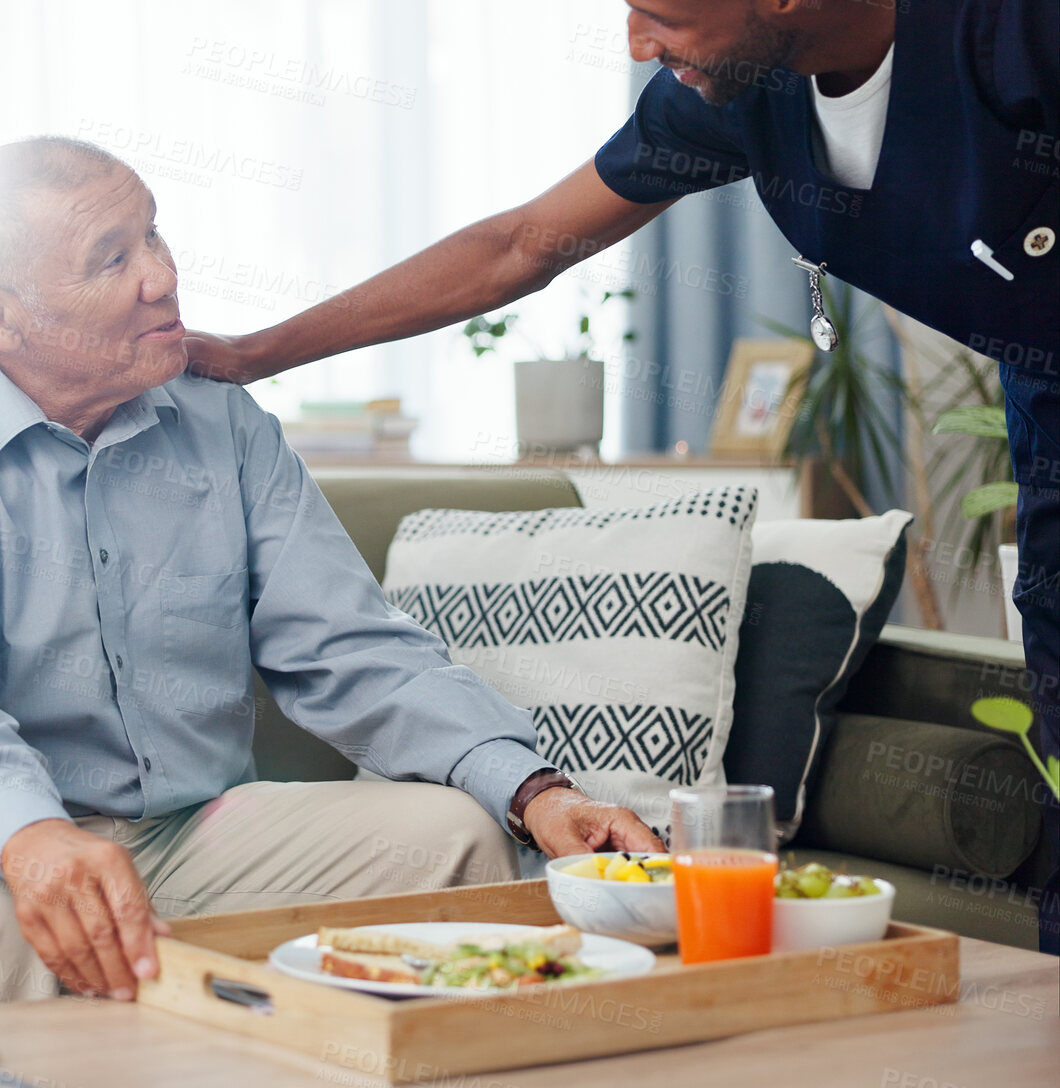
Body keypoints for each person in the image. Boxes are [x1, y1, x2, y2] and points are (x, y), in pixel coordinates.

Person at [187, 0, 1060, 954]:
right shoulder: (739, 94)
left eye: (663, 13)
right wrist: (252, 352)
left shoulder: (1014, 37)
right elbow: (521, 245)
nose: (639, 43)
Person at [0, 138, 661, 1002]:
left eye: (152, 232)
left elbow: (348, 646)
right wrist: (30, 837)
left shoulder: (220, 423)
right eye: (112, 258)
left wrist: (534, 790)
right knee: (8, 918)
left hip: (180, 832)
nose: (162, 275)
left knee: (456, 837)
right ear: (0, 316)